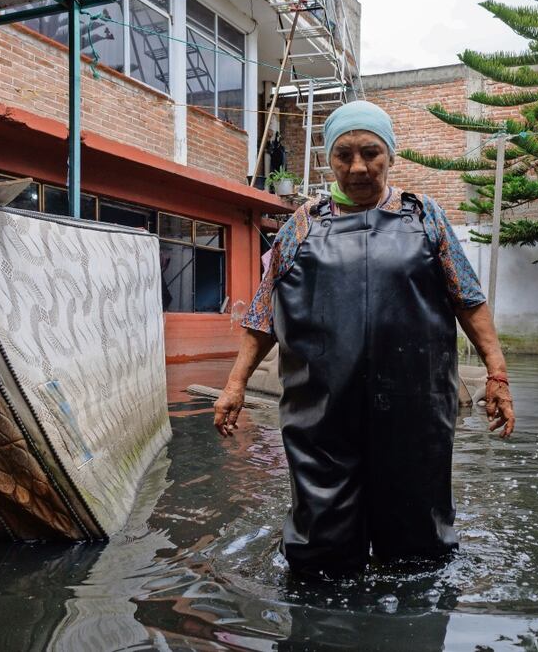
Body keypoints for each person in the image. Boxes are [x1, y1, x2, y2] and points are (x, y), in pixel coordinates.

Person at [213, 100, 515, 575]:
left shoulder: (425, 218)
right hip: (323, 413)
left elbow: (469, 300)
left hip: (415, 409)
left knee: (420, 551)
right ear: (329, 160)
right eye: (344, 154)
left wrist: (496, 373)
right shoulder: (301, 225)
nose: (358, 167)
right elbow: (262, 314)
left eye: (371, 153)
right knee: (319, 550)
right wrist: (234, 385)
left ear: (391, 155)